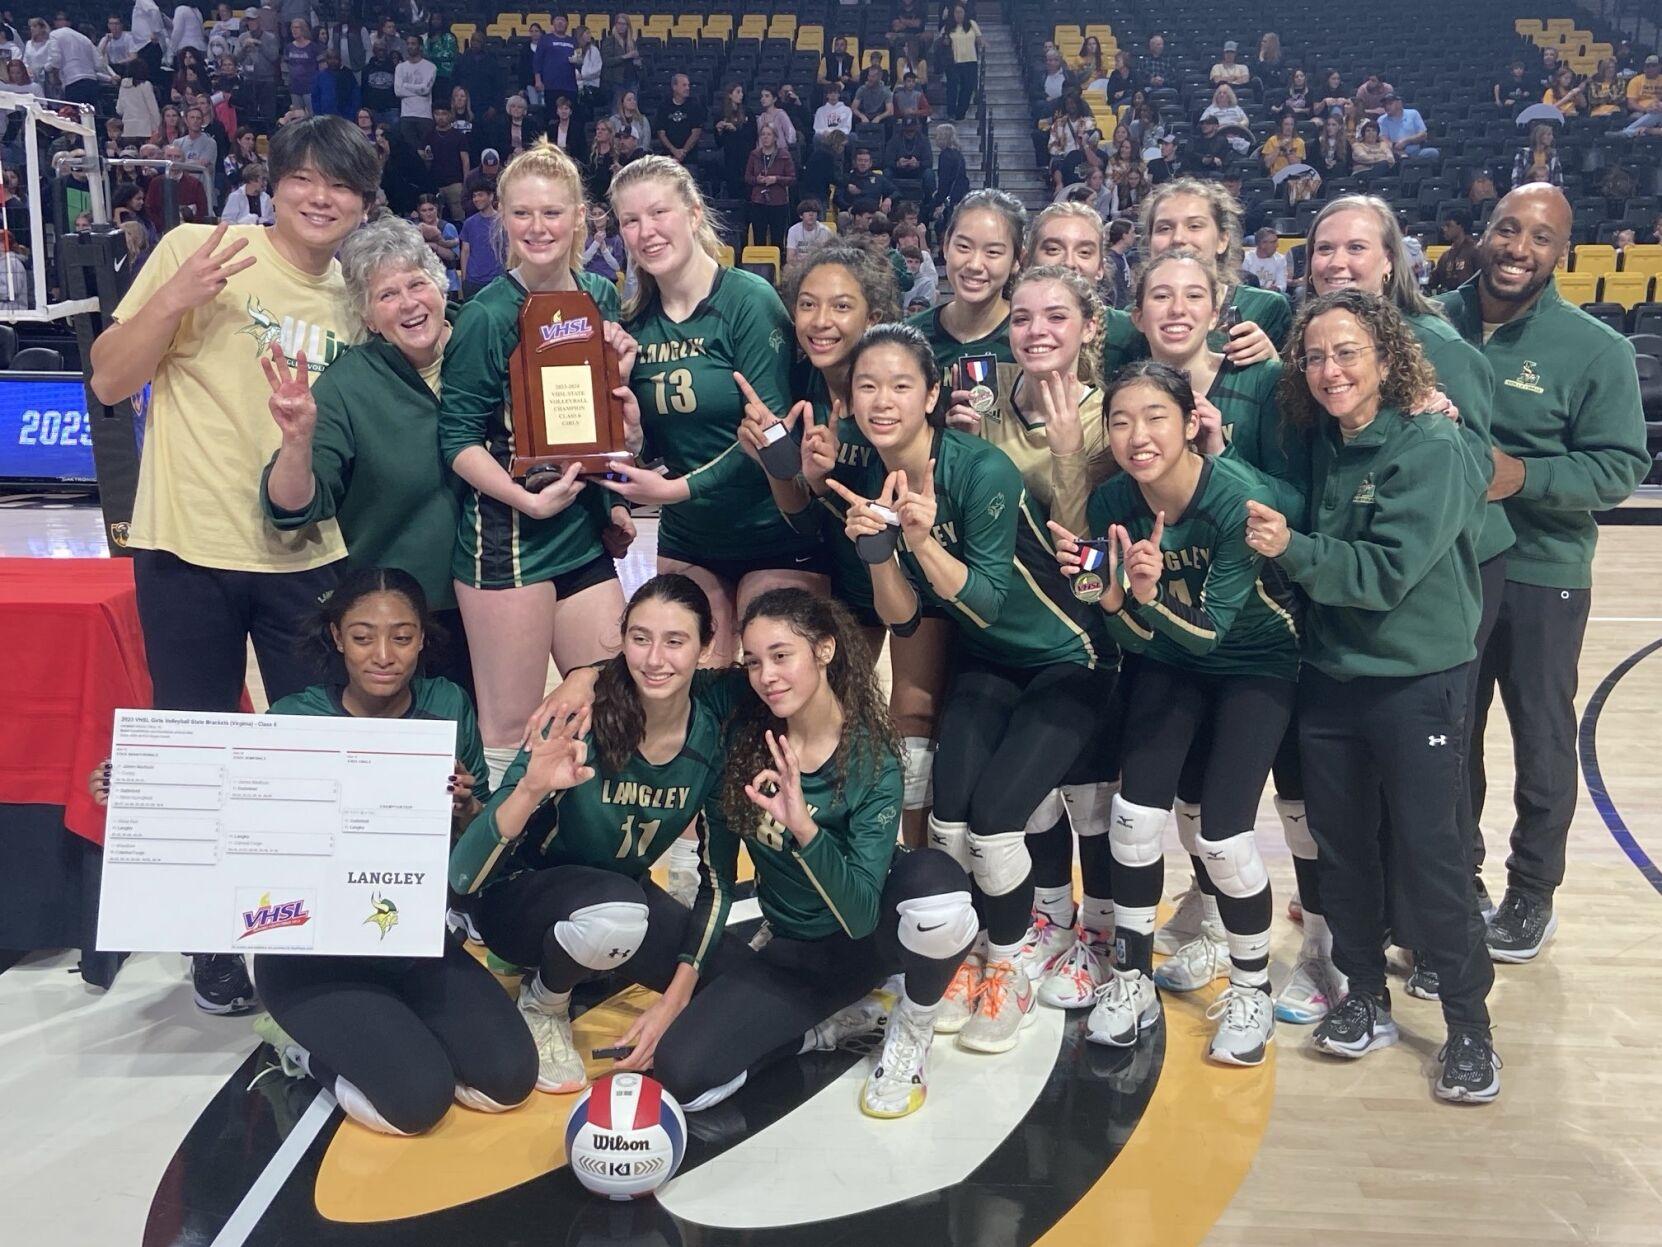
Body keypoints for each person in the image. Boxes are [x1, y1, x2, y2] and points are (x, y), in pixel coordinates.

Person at [87, 115, 379, 1015]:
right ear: (275, 181)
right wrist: (173, 297)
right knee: (200, 754)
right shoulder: (199, 248)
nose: (320, 198)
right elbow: (105, 379)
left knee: (306, 757)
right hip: (187, 545)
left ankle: (298, 932)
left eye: (341, 187)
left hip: (306, 552)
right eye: (304, 178)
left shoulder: (356, 298)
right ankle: (212, 944)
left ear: (363, 206)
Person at [143, 567, 535, 1135]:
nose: (383, 654)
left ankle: (383, 1030)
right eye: (362, 636)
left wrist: (469, 809)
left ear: (423, 638)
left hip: (407, 937)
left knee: (507, 1081)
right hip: (310, 953)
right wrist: (139, 786)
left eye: (402, 637)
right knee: (416, 1106)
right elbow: (225, 811)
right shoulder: (295, 718)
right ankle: (299, 1046)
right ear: (335, 638)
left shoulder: (447, 704)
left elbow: (478, 853)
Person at [822, 322, 1111, 1053]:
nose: (881, 400)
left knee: (994, 822)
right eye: (866, 386)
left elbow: (981, 597)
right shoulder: (872, 479)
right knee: (946, 821)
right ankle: (966, 951)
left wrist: (920, 539)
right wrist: (879, 552)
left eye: (899, 386)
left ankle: (1009, 965)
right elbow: (906, 614)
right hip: (989, 662)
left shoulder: (981, 469)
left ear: (930, 397)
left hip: (1068, 657)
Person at [1244, 289, 1500, 1103]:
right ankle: (1366, 997)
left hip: (1416, 682)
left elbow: (1384, 573)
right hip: (1332, 678)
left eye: (1348, 351)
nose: (1330, 370)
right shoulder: (1327, 438)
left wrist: (1292, 548)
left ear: (1388, 357)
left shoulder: (1431, 441)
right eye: (1316, 356)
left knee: (1432, 854)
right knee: (1343, 848)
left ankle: (1469, 1027)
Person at [638, 589, 976, 1119]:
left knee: (941, 890)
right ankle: (828, 1025)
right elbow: (721, 882)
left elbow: (861, 913)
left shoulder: (872, 756)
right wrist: (582, 677)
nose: (766, 676)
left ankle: (911, 1028)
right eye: (752, 661)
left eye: (781, 656)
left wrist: (804, 829)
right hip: (795, 951)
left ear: (823, 650)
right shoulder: (746, 737)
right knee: (683, 1075)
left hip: (870, 938)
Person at [1046, 353, 1297, 1063]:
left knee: (1222, 837)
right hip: (1167, 661)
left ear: (1191, 422)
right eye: (1120, 420)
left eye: (1155, 416)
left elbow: (1212, 630)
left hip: (1254, 663)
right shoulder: (1110, 506)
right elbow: (1133, 633)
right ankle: (1131, 978)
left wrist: (1149, 598)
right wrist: (1118, 599)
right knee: (1132, 821)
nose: (1136, 434)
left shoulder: (1233, 500)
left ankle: (1250, 985)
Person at [1298, 193, 1501, 1006]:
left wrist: (1433, 434)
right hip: (1337, 649)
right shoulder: (1310, 373)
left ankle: (1454, 988)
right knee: (1349, 837)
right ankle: (1369, 967)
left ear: (1392, 260)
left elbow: (1478, 467)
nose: (1339, 261)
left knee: (1431, 838)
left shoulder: (1444, 352)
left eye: (1356, 247)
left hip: (1426, 619)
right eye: (1323, 247)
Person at [1438, 184, 1648, 961]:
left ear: (1564, 252)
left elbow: (1619, 467)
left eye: (1541, 237)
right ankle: (1459, 877)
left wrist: (1521, 477)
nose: (1519, 247)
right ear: (1485, 232)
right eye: (1508, 227)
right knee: (1449, 735)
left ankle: (1533, 891)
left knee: (1542, 736)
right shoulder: (1431, 319)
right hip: (1447, 567)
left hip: (1540, 567)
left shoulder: (1596, 348)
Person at [451, 574, 752, 1093]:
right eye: (640, 638)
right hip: (518, 901)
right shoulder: (577, 721)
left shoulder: (711, 737)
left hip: (620, 904)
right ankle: (543, 1005)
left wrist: (672, 1003)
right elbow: (463, 876)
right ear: (622, 639)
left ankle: (586, 961)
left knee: (736, 980)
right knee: (616, 911)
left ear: (706, 647)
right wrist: (530, 788)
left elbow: (719, 883)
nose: (654, 659)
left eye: (675, 641)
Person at [436, 141, 634, 786]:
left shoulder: (601, 294)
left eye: (553, 213)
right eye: (523, 214)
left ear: (580, 217)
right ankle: (500, 875)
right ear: (503, 221)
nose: (539, 228)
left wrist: (618, 484)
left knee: (611, 709)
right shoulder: (488, 315)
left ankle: (593, 862)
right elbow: (458, 439)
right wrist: (523, 499)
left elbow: (606, 430)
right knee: (508, 727)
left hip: (579, 535)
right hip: (509, 537)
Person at [598, 156, 825, 666]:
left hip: (770, 530)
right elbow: (659, 447)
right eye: (630, 221)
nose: (646, 232)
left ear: (694, 214)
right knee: (696, 689)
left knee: (770, 688)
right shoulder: (632, 321)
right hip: (689, 535)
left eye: (659, 213)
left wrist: (675, 489)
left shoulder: (749, 300)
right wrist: (634, 442)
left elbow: (771, 437)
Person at [259, 215, 474, 694]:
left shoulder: (487, 348)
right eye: (386, 295)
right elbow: (291, 510)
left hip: (500, 598)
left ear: (441, 288)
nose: (408, 304)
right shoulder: (347, 385)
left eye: (416, 284)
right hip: (404, 622)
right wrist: (296, 441)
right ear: (368, 318)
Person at [1100, 179, 1291, 376]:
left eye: (1194, 226)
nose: (1178, 238)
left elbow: (1294, 396)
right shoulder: (1131, 320)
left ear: (1222, 240)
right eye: (1164, 228)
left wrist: (1274, 361)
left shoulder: (1267, 308)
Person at [908, 188, 1024, 431]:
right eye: (963, 247)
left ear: (1016, 260)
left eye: (993, 252)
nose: (974, 264)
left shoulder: (1030, 339)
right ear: (946, 245)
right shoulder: (912, 338)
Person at [744, 121, 796, 250]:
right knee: (759, 238)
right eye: (763, 134)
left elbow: (792, 179)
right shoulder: (754, 155)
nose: (765, 137)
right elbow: (747, 178)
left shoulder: (784, 155)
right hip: (758, 201)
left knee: (777, 239)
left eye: (769, 134)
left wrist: (776, 179)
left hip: (778, 202)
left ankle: (777, 267)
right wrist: (758, 179)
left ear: (775, 137)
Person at [395, 33, 436, 149]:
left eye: (413, 44)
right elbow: (398, 91)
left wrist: (406, 85)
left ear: (420, 46)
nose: (410, 46)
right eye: (408, 44)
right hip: (406, 115)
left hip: (425, 116)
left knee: (425, 152)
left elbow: (425, 89)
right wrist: (418, 88)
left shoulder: (430, 67)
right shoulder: (400, 67)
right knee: (409, 152)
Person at [943, 3, 982, 121]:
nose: (958, 15)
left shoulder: (971, 24)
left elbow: (979, 39)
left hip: (970, 60)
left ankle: (960, 113)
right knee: (952, 87)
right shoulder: (948, 26)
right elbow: (943, 42)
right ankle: (951, 112)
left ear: (965, 13)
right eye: (956, 12)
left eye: (961, 12)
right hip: (954, 62)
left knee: (968, 88)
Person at [1377, 92, 1438, 162]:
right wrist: (1396, 148)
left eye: (1390, 104)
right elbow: (1383, 139)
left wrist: (1406, 141)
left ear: (1399, 103)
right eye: (1385, 105)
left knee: (1433, 152)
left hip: (1416, 153)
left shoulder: (1413, 114)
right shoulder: (1382, 120)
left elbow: (1423, 135)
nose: (1387, 107)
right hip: (1394, 154)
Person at [1621, 54, 1662, 136]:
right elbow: (1631, 104)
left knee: (1657, 112)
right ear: (1644, 68)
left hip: (1658, 111)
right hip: (1640, 111)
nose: (1650, 68)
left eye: (1653, 66)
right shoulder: (1636, 81)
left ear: (1659, 67)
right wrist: (1645, 110)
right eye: (1647, 66)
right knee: (1643, 115)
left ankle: (1626, 132)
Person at [1242, 226, 1288, 292]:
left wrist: (1277, 288)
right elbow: (1243, 285)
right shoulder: (1246, 259)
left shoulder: (1280, 259)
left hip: (1272, 295)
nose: (1277, 245)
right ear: (1262, 244)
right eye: (1273, 242)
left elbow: (1282, 284)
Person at [786, 197, 832, 263]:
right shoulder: (793, 230)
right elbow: (790, 258)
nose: (811, 214)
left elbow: (831, 256)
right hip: (800, 265)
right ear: (801, 216)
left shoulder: (825, 231)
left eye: (814, 211)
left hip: (820, 264)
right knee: (788, 268)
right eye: (807, 211)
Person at [1261, 112, 1305, 177]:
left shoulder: (1299, 142)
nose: (1289, 127)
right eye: (1286, 124)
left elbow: (1297, 167)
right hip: (1275, 176)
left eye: (1291, 124)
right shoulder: (1272, 140)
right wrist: (1279, 147)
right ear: (1281, 125)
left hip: (1292, 177)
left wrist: (1287, 150)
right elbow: (1267, 164)